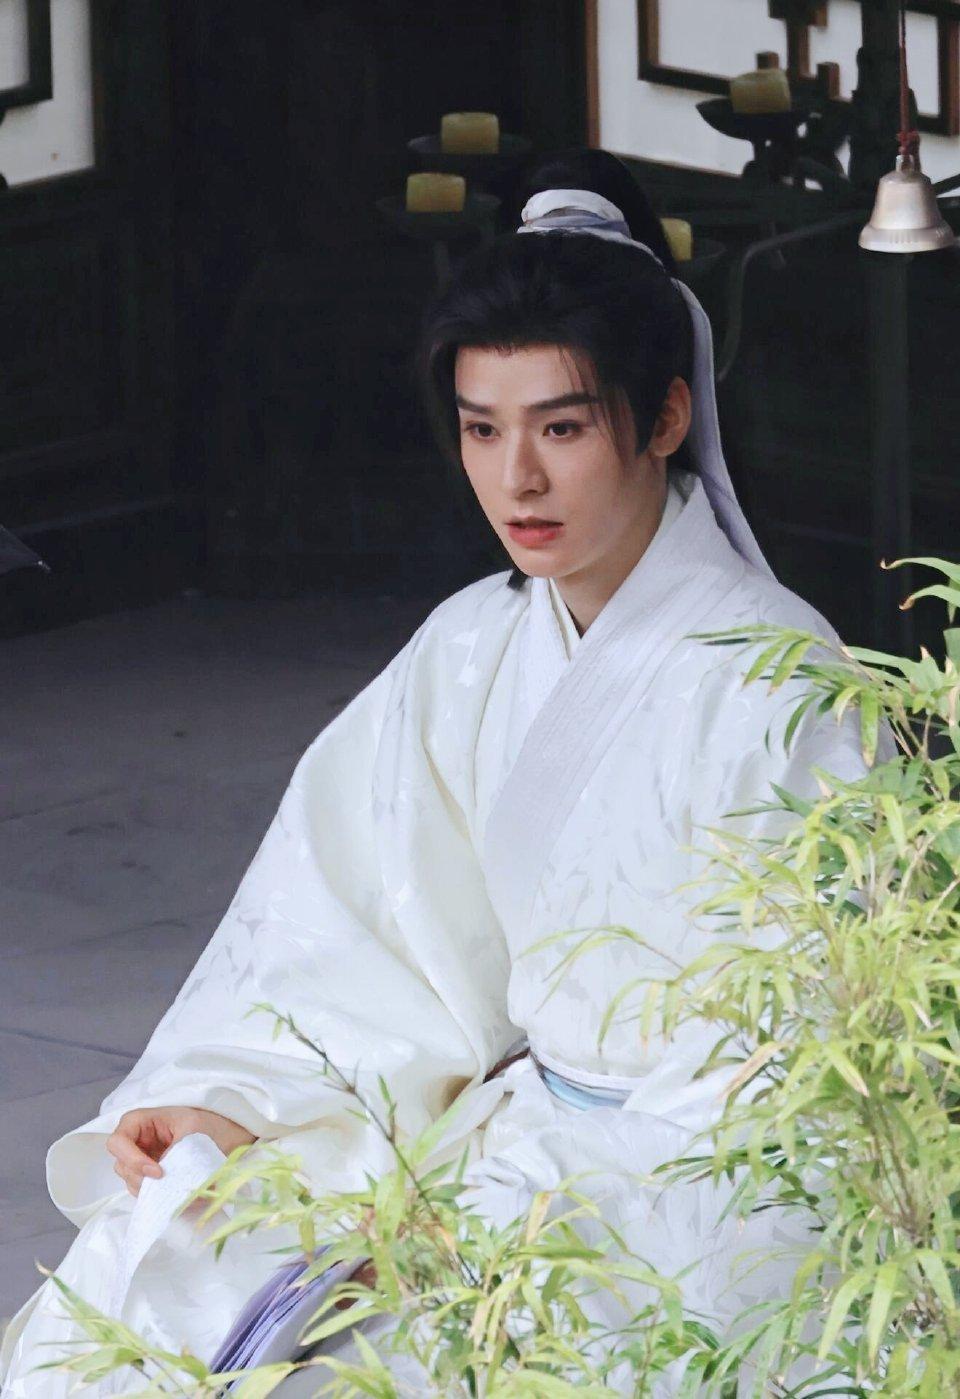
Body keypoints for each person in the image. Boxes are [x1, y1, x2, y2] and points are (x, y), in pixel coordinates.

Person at [1, 148, 868, 1397]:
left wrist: (477, 1230)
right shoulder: (471, 647)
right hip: (513, 1143)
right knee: (146, 1283)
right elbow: (351, 930)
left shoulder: (779, 680)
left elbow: (802, 1068)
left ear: (667, 418)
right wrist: (240, 1108)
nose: (518, 479)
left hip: (694, 1189)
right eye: (482, 429)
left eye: (563, 427)